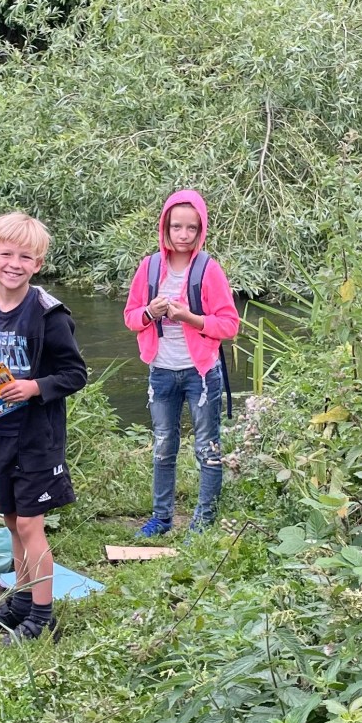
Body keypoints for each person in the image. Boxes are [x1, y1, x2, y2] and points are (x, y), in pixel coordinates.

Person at [0, 212, 87, 643]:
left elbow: (74, 374)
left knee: (31, 525)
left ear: (38, 264)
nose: (14, 263)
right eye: (6, 253)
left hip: (37, 438)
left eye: (25, 257)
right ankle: (22, 599)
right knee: (12, 521)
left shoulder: (49, 315)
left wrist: (33, 386)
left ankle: (43, 616)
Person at [122, 189, 240, 537]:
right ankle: (161, 518)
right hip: (161, 370)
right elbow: (130, 318)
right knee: (163, 446)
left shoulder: (209, 270)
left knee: (207, 448)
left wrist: (190, 317)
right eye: (177, 227)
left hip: (201, 373)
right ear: (166, 228)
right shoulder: (150, 267)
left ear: (201, 229)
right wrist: (149, 312)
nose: (184, 235)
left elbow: (229, 324)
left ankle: (203, 522)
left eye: (191, 228)